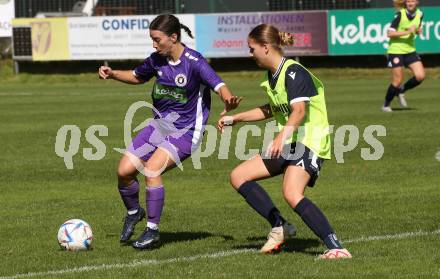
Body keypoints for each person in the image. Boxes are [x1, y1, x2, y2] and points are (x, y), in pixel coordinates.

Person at [98, 14, 241, 250]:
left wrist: (229, 100)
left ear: (173, 37)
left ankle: (152, 231)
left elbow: (219, 85)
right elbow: (136, 76)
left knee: (152, 169)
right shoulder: (157, 60)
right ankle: (134, 212)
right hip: (159, 127)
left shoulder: (195, 62)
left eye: (157, 39)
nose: (154, 45)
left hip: (186, 132)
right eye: (152, 40)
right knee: (123, 171)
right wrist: (112, 73)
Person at [218, 24, 352, 259]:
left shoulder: (294, 72)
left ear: (266, 47)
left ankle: (336, 247)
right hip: (291, 142)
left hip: (310, 140)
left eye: (252, 49)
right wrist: (236, 118)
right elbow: (272, 109)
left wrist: (281, 136)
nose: (250, 54)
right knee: (238, 176)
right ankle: (281, 226)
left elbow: (299, 111)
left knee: (291, 192)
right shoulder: (272, 76)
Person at [382, 0, 425, 112]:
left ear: (417, 2)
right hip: (396, 50)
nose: (410, 3)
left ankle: (401, 91)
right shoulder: (400, 15)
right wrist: (407, 32)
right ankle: (386, 105)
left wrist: (418, 31)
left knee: (420, 76)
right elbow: (389, 33)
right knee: (397, 80)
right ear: (405, 3)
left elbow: (416, 29)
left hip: (410, 50)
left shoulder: (420, 14)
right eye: (408, 1)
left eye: (413, 1)